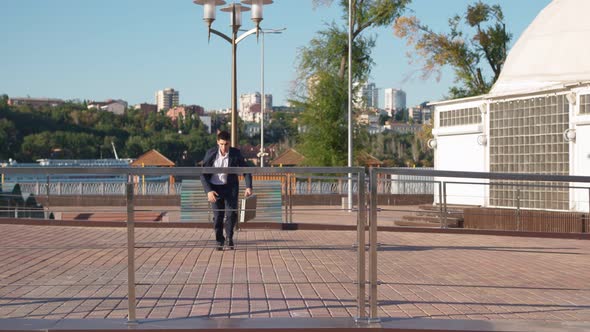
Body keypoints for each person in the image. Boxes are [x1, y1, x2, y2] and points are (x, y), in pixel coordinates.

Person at [201, 130, 253, 251]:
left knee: (231, 215)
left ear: (230, 143)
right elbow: (203, 174)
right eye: (222, 144)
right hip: (215, 189)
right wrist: (208, 191)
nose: (224, 147)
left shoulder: (235, 153)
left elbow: (246, 169)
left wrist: (248, 186)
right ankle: (219, 240)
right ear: (218, 142)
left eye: (226, 144)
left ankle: (229, 239)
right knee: (218, 216)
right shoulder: (210, 153)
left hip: (230, 188)